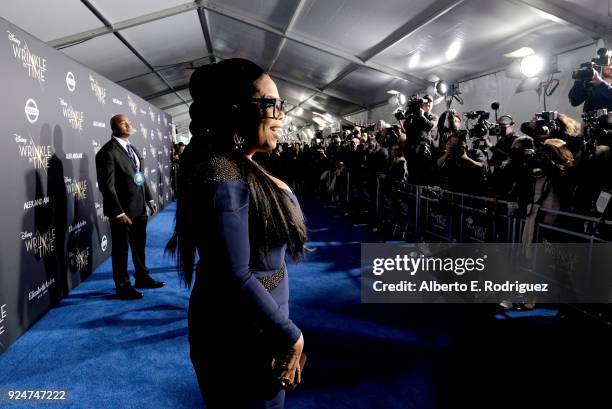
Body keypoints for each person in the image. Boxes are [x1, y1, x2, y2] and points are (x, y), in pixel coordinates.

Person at [167, 58, 306, 408]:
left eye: (280, 104)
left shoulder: (229, 165)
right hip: (244, 337)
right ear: (235, 110)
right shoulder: (223, 175)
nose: (280, 115)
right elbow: (233, 274)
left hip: (253, 326)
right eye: (270, 104)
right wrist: (291, 336)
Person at [95, 114, 164, 300]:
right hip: (122, 212)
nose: (128, 124)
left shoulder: (133, 148)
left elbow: (140, 177)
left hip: (139, 207)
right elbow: (106, 186)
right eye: (122, 122)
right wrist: (118, 212)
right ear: (113, 126)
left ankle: (142, 277)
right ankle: (123, 286)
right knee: (121, 250)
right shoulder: (107, 152)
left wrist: (149, 198)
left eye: (129, 122)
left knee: (139, 246)